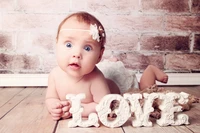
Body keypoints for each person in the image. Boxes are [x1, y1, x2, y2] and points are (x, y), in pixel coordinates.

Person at [45, 11, 168, 121]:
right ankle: (112, 61)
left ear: (99, 55)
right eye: (68, 45)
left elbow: (104, 105)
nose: (76, 54)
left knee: (144, 90)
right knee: (109, 67)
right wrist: (54, 107)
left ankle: (150, 70)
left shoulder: (95, 79)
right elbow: (50, 98)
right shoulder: (55, 75)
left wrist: (77, 109)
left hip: (122, 86)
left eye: (87, 48)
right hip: (107, 74)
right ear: (56, 45)